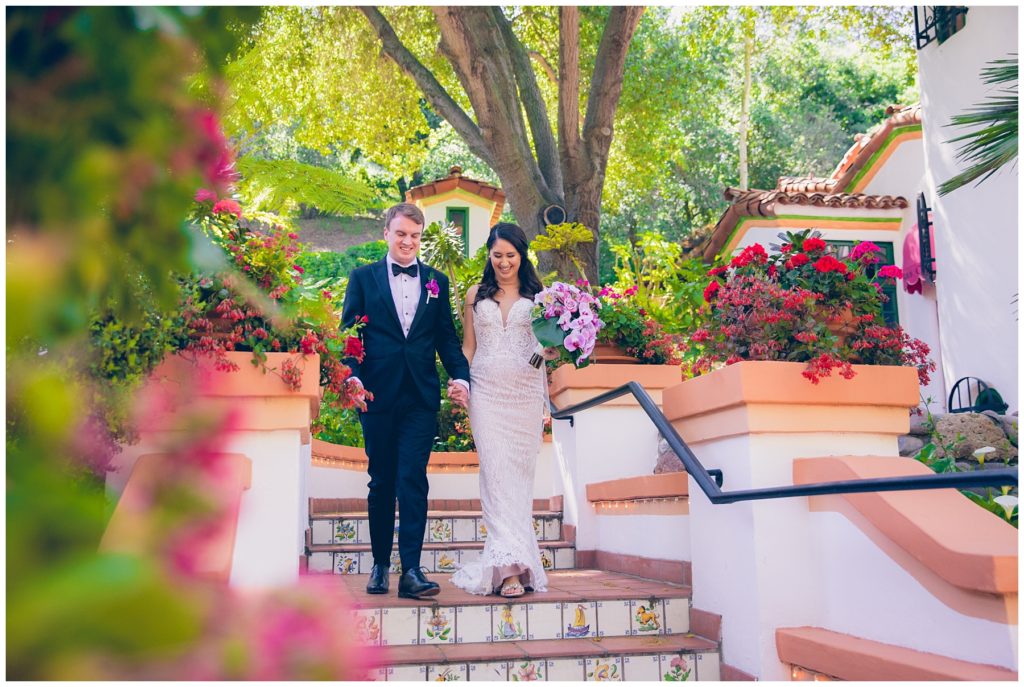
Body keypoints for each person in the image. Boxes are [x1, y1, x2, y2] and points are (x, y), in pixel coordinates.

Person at [341, 203, 470, 600]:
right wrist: (353, 377)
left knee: (412, 479)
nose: (408, 242)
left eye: (414, 235)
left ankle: (411, 570)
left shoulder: (436, 280)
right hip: (376, 395)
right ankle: (380, 564)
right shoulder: (362, 278)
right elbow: (350, 335)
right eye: (401, 234)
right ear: (386, 233)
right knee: (382, 481)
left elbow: (446, 337)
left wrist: (461, 376)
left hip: (419, 395)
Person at [450, 223, 555, 598]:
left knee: (519, 481)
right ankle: (508, 570)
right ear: (488, 256)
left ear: (522, 256)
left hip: (526, 397)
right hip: (488, 396)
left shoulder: (540, 295)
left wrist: (555, 349)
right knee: (495, 477)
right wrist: (460, 382)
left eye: (511, 256)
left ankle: (520, 562)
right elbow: (468, 348)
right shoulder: (475, 295)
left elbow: (550, 344)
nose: (504, 263)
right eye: (497, 256)